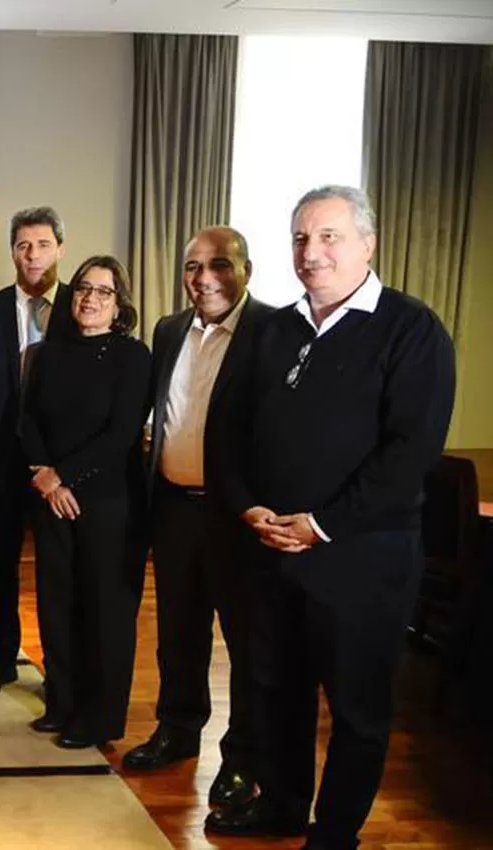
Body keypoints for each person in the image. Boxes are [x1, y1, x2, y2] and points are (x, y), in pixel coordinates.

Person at [206, 186, 455, 850]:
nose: (311, 253)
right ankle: (283, 807)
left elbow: (410, 453)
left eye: (329, 237)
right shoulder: (273, 329)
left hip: (361, 559)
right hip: (270, 552)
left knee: (357, 710)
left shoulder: (411, 328)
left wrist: (320, 523)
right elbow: (226, 430)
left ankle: (334, 834)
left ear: (368, 244)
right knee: (277, 693)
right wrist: (246, 504)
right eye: (300, 239)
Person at [122, 226, 273, 807]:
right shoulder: (167, 330)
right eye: (192, 266)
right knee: (178, 635)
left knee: (245, 643)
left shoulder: (271, 331)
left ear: (246, 269)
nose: (204, 278)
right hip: (174, 508)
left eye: (219, 265)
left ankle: (242, 759)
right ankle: (178, 731)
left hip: (237, 516)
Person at [20, 255, 150, 749]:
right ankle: (62, 702)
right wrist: (48, 482)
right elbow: (27, 421)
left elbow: (121, 434)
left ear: (119, 304)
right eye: (82, 289)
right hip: (51, 498)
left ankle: (98, 718)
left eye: (103, 291)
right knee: (57, 605)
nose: (90, 299)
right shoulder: (47, 353)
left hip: (109, 503)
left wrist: (65, 475)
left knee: (103, 611)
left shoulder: (132, 356)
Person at [0, 207, 75, 697]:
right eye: (24, 245)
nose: (33, 254)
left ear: (60, 249)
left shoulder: (81, 306)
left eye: (43, 244)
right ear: (11, 252)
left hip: (60, 469)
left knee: (59, 577)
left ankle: (63, 679)